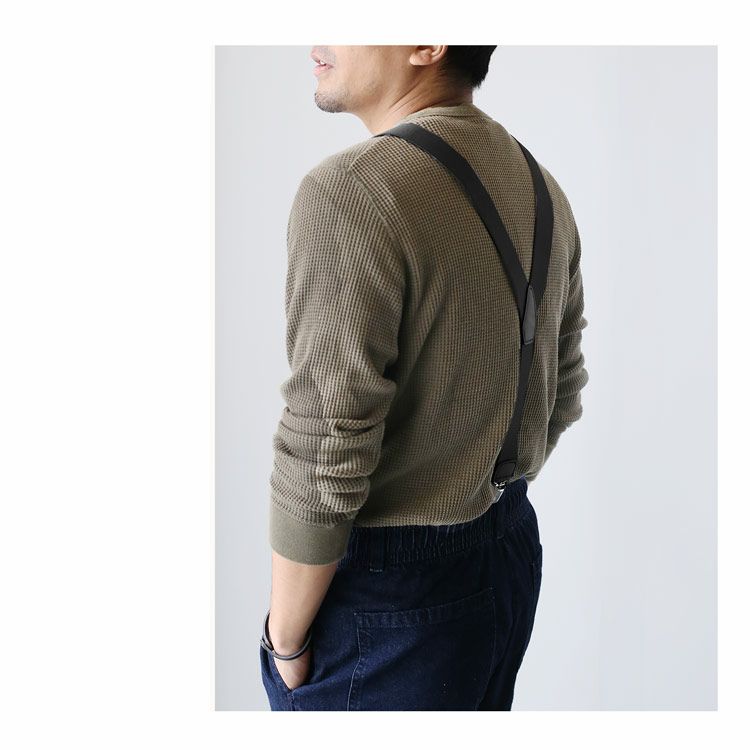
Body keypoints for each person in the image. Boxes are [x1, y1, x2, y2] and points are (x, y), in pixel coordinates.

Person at [259, 45, 589, 711]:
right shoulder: (540, 185)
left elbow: (323, 442)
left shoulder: (352, 191)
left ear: (428, 44)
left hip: (390, 600)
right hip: (506, 556)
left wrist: (286, 639)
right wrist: (475, 487)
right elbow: (562, 385)